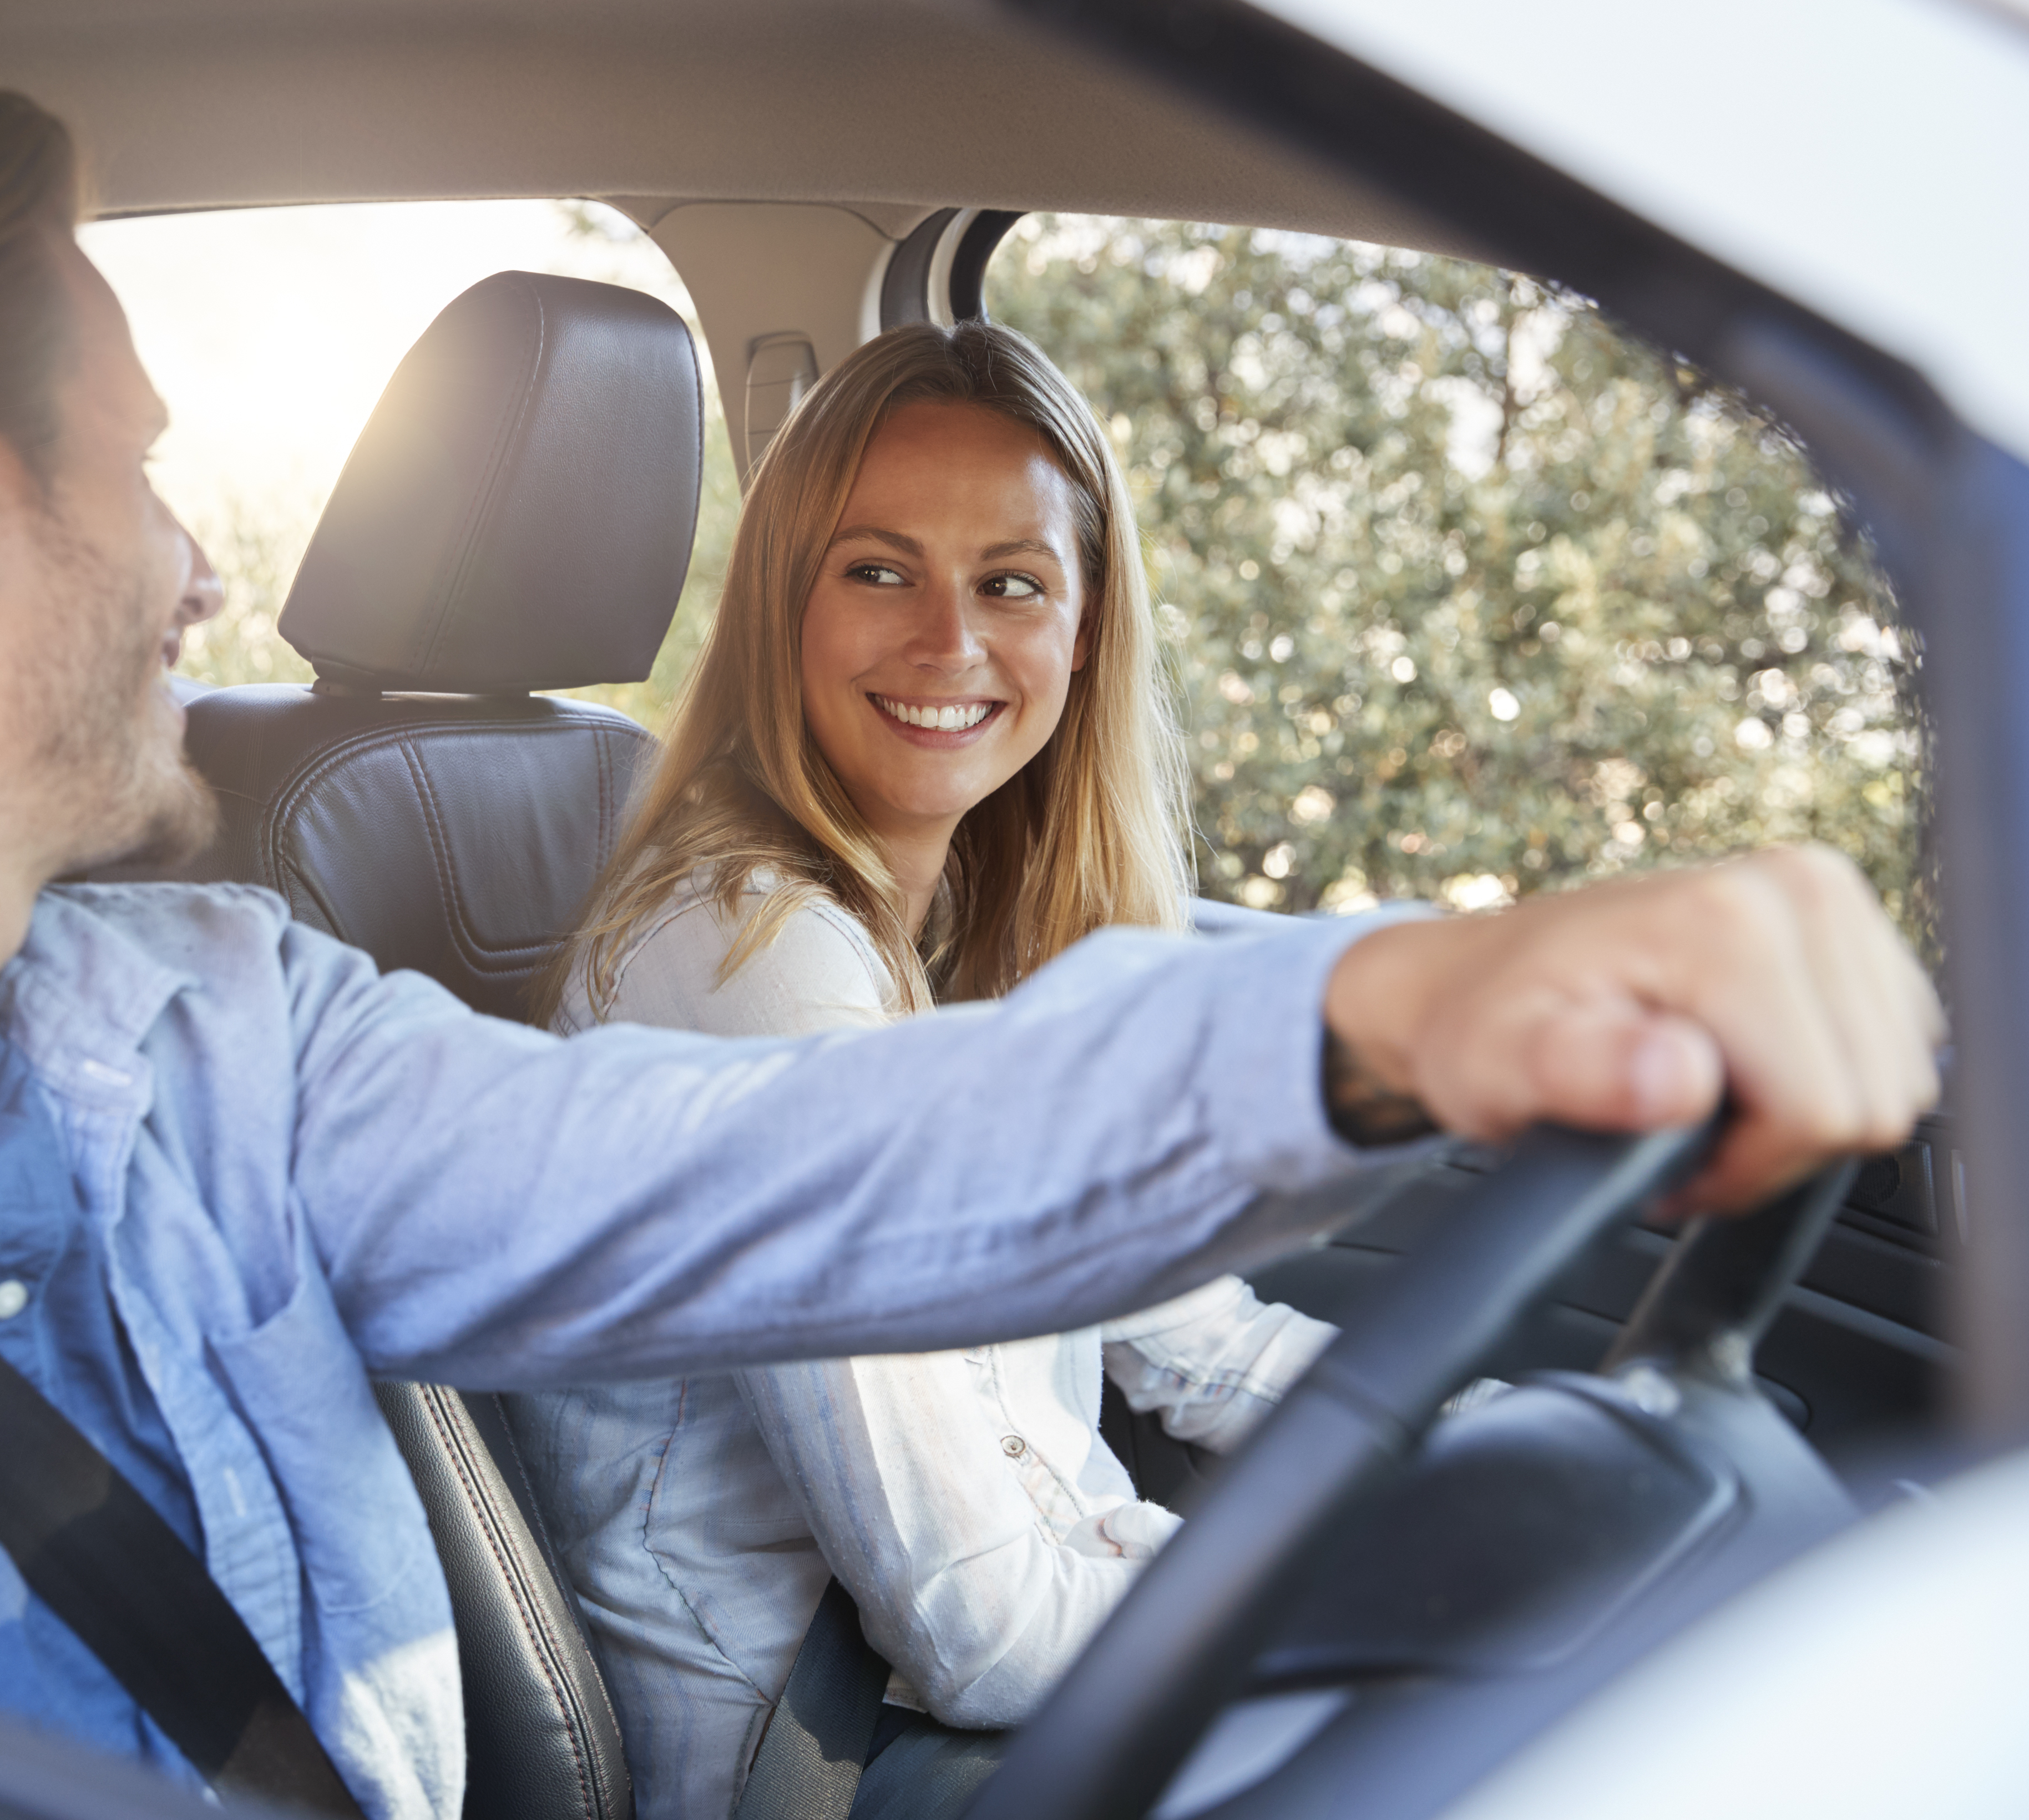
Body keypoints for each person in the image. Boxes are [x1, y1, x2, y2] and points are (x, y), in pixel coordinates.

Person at [0, 73, 1939, 1820]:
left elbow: (796, 1167)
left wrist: (1360, 1014)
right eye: (133, 467)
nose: (192, 554)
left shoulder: (208, 1030)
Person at [510, 320, 1467, 1819]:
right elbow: (980, 1631)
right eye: (879, 569)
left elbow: (1197, 1343)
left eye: (1010, 582)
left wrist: (1489, 1460)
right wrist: (1343, 1599)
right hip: (825, 1769)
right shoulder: (742, 957)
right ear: (785, 607)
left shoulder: (973, 931)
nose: (949, 644)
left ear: (1083, 629)